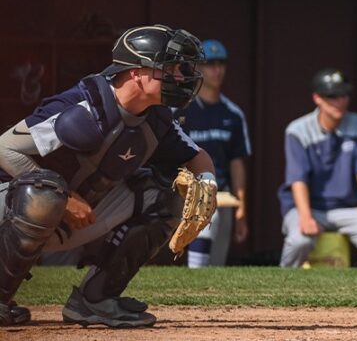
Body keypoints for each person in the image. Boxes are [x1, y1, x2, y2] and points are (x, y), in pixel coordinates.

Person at [0, 25, 216, 328]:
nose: (180, 77)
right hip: (13, 209)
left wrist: (208, 183)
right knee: (45, 193)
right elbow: (4, 148)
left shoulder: (157, 118)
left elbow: (198, 157)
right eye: (170, 68)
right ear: (136, 72)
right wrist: (64, 199)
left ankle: (95, 300)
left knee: (163, 196)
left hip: (69, 218)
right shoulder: (84, 107)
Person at [278, 68, 357, 269]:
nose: (340, 101)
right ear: (317, 98)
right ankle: (282, 285)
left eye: (344, 95)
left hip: (347, 207)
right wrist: (306, 217)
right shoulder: (297, 130)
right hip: (308, 207)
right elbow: (298, 179)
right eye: (332, 96)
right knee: (301, 240)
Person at [180, 39, 251, 267]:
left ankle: (209, 303)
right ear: (197, 68)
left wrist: (242, 207)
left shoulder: (232, 113)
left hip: (223, 195)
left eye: (221, 64)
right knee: (200, 251)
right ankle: (192, 285)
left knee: (217, 262)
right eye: (210, 64)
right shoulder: (181, 111)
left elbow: (236, 163)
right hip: (190, 192)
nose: (216, 70)